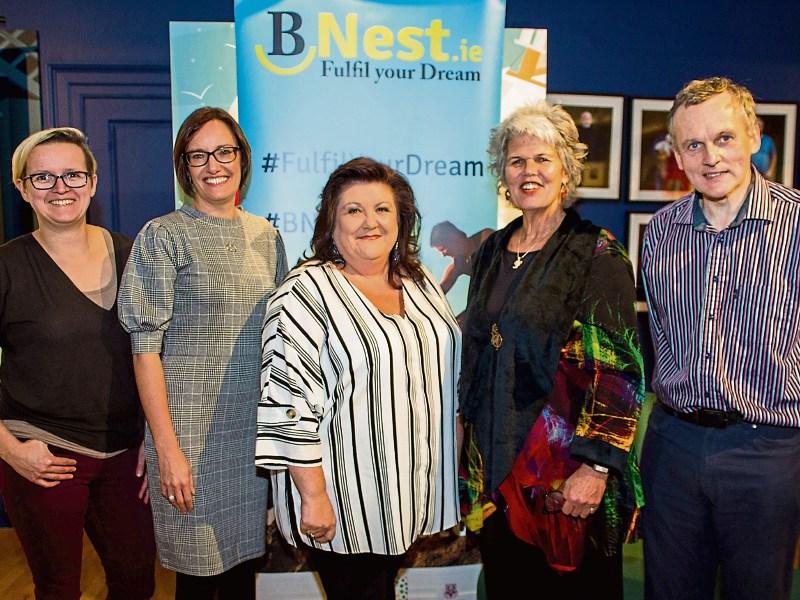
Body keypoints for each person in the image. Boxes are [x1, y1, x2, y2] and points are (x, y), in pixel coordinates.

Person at [459, 101, 644, 599]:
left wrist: (596, 465)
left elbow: (619, 371)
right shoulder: (492, 251)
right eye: (516, 161)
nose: (529, 171)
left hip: (566, 477)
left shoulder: (596, 252)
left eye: (542, 159)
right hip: (498, 471)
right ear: (503, 175)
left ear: (566, 171)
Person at [257, 157, 460, 600]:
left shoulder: (419, 280)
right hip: (342, 498)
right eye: (353, 210)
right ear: (331, 223)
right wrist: (312, 496)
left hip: (407, 492)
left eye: (382, 209)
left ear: (401, 219)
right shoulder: (304, 293)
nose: (370, 222)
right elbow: (287, 404)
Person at [640, 76, 800, 600]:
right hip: (673, 446)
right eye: (694, 144)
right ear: (679, 157)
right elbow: (659, 333)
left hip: (767, 450)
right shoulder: (660, 232)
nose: (711, 157)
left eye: (725, 138)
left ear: (754, 136)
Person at [118, 107, 287, 599]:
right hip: (188, 439)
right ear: (184, 166)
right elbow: (144, 348)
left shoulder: (267, 235)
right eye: (198, 155)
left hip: (248, 438)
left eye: (224, 151)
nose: (213, 164)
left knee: (241, 578)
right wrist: (165, 449)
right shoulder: (163, 235)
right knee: (196, 579)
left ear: (242, 158)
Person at [0, 127, 155, 599]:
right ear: (23, 188)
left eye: (72, 174)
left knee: (136, 583)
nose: (60, 188)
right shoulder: (7, 266)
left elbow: (158, 355)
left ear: (92, 182)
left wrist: (155, 437)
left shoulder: (135, 255)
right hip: (43, 453)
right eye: (43, 178)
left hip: (126, 455)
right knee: (59, 588)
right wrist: (9, 449)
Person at [429, 220, 493, 293]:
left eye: (443, 249)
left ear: (453, 238)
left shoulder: (487, 237)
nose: (443, 255)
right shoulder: (458, 265)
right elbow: (439, 293)